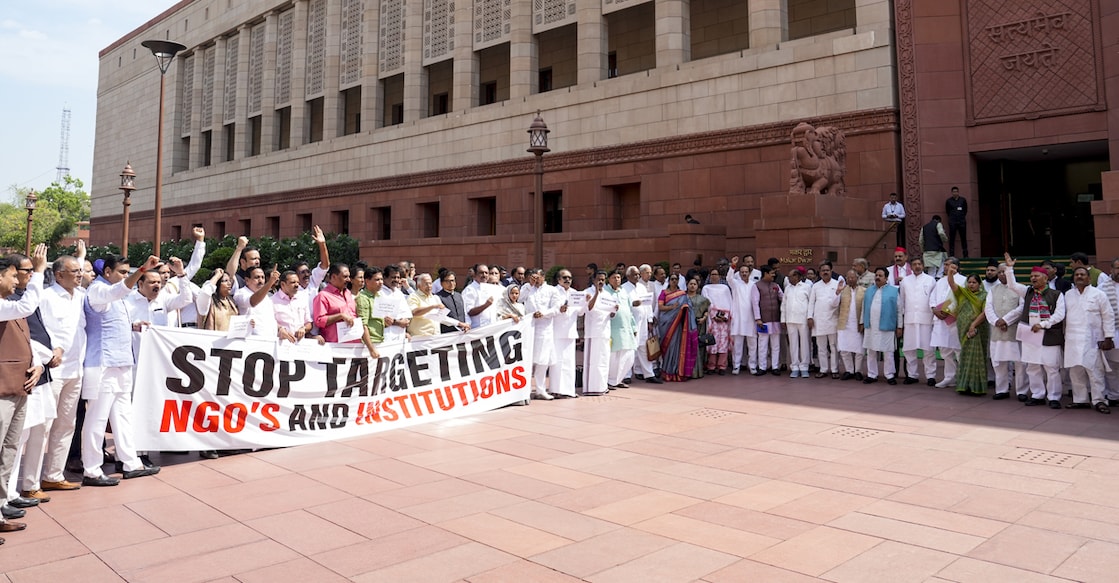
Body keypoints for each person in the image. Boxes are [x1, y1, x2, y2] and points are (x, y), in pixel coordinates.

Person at [82, 254, 162, 487]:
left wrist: (132, 326)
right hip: (103, 363)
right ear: (107, 272)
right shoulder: (98, 290)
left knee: (124, 416)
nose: (125, 277)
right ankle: (92, 469)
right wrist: (143, 269)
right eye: (122, 272)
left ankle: (130, 462)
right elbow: (116, 292)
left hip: (122, 362)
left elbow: (113, 320)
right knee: (97, 419)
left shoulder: (116, 294)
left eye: (128, 272)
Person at [26, 254, 85, 496]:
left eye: (81, 270)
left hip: (76, 369)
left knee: (66, 424)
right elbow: (37, 329)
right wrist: (50, 352)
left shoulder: (81, 296)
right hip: (52, 369)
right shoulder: (46, 296)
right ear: (59, 275)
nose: (80, 274)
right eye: (75, 271)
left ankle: (54, 475)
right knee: (43, 425)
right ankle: (30, 484)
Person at [0, 252, 48, 539]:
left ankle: (1, 506)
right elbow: (28, 305)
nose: (17, 279)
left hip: (17, 387)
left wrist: (38, 363)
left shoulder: (9, 305)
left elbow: (28, 340)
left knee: (8, 452)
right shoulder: (8, 306)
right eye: (12, 275)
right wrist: (40, 272)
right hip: (2, 390)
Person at [1004, 255, 1066, 409]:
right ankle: (1037, 395)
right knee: (1032, 367)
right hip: (1030, 335)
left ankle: (1053, 397)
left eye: (1036, 276)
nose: (1033, 278)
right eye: (1031, 276)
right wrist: (1010, 269)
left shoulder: (1056, 294)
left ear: (1045, 278)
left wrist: (1044, 324)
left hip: (1049, 336)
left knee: (1051, 368)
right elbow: (1012, 285)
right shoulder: (1028, 292)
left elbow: (1059, 315)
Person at [1063, 266, 1115, 413]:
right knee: (1075, 371)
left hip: (1092, 339)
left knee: (1095, 371)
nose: (1079, 276)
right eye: (1077, 274)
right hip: (1072, 339)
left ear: (1089, 278)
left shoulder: (1099, 294)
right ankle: (1080, 400)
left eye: (1082, 274)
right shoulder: (1068, 295)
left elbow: (1108, 316)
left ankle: (1100, 400)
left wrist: (1108, 337)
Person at [313, 263, 379, 358]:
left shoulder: (348, 293)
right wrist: (340, 316)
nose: (348, 280)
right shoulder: (323, 296)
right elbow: (319, 321)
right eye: (345, 277)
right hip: (336, 348)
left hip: (355, 347)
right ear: (334, 277)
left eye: (348, 276)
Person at [944, 266, 988, 396]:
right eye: (969, 282)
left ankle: (977, 387)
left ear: (979, 284)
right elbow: (952, 284)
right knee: (964, 356)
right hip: (963, 329)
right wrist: (950, 274)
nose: (971, 284)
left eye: (974, 282)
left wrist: (973, 325)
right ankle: (964, 385)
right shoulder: (962, 293)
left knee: (976, 356)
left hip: (978, 330)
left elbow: (985, 312)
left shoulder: (984, 296)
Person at [985, 263, 1026, 400]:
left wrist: (1006, 320)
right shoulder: (993, 290)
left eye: (1005, 272)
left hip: (1014, 330)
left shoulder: (1020, 289)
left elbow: (1021, 308)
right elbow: (988, 308)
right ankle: (1002, 389)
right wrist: (997, 321)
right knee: (999, 362)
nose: (1002, 274)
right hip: (997, 331)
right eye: (1000, 272)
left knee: (1019, 363)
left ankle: (1022, 391)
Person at [518, 268, 559, 399]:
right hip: (529, 328)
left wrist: (544, 313)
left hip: (544, 329)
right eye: (532, 277)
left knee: (542, 361)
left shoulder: (552, 290)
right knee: (527, 359)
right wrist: (529, 286)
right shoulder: (527, 287)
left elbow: (556, 308)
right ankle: (525, 390)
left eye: (537, 277)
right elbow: (518, 299)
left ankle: (540, 390)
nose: (535, 280)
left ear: (543, 277)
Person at [861, 267, 902, 384]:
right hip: (871, 326)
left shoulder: (893, 291)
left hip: (886, 326)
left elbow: (899, 310)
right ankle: (871, 374)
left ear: (886, 278)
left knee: (888, 352)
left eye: (880, 276)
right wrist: (862, 323)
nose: (877, 277)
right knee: (871, 351)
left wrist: (899, 326)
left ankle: (889, 375)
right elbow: (864, 308)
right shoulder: (869, 290)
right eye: (876, 275)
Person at [899, 257, 937, 385]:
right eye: (914, 264)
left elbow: (934, 300)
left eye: (919, 264)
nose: (917, 266)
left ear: (923, 265)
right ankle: (912, 375)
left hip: (926, 319)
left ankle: (930, 376)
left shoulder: (930, 280)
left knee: (928, 350)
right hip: (910, 319)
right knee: (909, 349)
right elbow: (902, 301)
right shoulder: (905, 281)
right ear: (911, 266)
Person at [930, 258, 966, 388]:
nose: (945, 267)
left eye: (947, 264)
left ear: (955, 266)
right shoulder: (940, 281)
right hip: (940, 319)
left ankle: (963, 377)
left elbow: (963, 298)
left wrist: (948, 311)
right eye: (944, 264)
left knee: (958, 350)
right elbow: (933, 297)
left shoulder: (963, 280)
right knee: (945, 351)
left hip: (955, 320)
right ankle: (949, 377)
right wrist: (934, 309)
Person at [547, 269, 582, 398]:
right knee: (557, 362)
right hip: (557, 331)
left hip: (570, 331)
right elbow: (550, 309)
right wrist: (559, 309)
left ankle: (568, 390)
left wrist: (586, 301)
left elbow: (581, 312)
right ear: (558, 279)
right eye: (565, 277)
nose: (568, 280)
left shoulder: (575, 293)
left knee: (569, 362)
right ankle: (556, 390)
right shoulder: (553, 291)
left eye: (570, 277)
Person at [624, 265, 661, 384]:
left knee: (644, 348)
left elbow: (648, 304)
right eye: (634, 274)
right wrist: (632, 304)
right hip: (631, 322)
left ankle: (649, 374)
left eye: (638, 275)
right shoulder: (624, 288)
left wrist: (650, 320)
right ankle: (627, 375)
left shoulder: (641, 287)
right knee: (630, 349)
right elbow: (623, 306)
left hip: (644, 321)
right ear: (628, 276)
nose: (637, 276)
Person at [656, 275, 697, 382]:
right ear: (669, 281)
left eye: (676, 279)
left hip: (678, 325)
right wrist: (672, 307)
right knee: (668, 348)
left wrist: (684, 308)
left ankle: (677, 371)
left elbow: (689, 308)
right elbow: (660, 307)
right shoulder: (663, 293)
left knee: (678, 348)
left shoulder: (683, 294)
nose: (674, 281)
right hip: (666, 324)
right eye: (672, 279)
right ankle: (667, 371)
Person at [582, 271, 614, 395]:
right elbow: (588, 308)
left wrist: (614, 311)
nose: (601, 282)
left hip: (605, 331)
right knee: (593, 361)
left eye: (603, 280)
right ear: (594, 280)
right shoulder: (587, 292)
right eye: (599, 279)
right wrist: (595, 293)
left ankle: (602, 386)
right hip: (593, 332)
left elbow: (611, 312)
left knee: (603, 360)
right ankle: (591, 388)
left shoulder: (607, 294)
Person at [407, 273, 469, 338]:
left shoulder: (434, 298)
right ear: (419, 285)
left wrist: (459, 324)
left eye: (430, 283)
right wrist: (432, 307)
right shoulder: (413, 297)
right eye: (426, 284)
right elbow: (414, 312)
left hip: (435, 338)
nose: (429, 286)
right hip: (420, 338)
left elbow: (441, 318)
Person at [807, 261, 841, 379]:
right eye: (823, 271)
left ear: (831, 271)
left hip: (833, 319)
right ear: (819, 272)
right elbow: (811, 302)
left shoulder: (837, 284)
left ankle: (835, 369)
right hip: (819, 320)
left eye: (827, 270)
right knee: (820, 347)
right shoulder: (816, 286)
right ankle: (823, 369)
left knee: (833, 346)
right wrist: (809, 317)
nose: (825, 272)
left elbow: (837, 303)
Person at [728, 259, 759, 375]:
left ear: (749, 273)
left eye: (746, 272)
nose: (744, 274)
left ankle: (753, 366)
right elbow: (729, 278)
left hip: (751, 319)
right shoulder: (736, 284)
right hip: (738, 319)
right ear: (739, 273)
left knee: (752, 344)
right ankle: (736, 366)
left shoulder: (754, 285)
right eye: (742, 272)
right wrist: (733, 266)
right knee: (738, 345)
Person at [752, 266, 783, 376]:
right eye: (771, 273)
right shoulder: (757, 286)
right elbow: (755, 303)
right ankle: (762, 367)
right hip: (763, 321)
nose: (773, 275)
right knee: (763, 344)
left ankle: (775, 367)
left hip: (775, 319)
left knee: (775, 345)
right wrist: (758, 318)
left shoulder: (776, 286)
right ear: (765, 274)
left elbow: (782, 298)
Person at [781, 267, 811, 378]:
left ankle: (804, 367)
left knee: (804, 343)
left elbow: (811, 303)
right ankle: (794, 366)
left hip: (803, 319)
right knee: (793, 344)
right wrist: (783, 319)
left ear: (797, 277)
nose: (789, 278)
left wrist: (810, 317)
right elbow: (783, 304)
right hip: (790, 319)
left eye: (791, 276)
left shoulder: (807, 287)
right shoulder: (787, 288)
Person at [702, 269, 733, 375]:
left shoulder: (725, 288)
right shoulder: (706, 288)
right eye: (712, 274)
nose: (714, 276)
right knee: (712, 343)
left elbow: (729, 302)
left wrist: (726, 316)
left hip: (724, 320)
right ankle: (711, 366)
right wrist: (714, 315)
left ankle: (722, 366)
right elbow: (706, 302)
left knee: (723, 343)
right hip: (712, 320)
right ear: (710, 276)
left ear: (719, 276)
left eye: (716, 274)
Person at [837, 269, 865, 380]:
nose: (850, 279)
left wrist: (863, 322)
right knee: (844, 348)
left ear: (857, 278)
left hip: (857, 323)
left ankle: (858, 371)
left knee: (859, 349)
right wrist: (837, 292)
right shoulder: (842, 290)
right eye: (848, 277)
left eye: (852, 277)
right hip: (844, 323)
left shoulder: (864, 290)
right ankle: (849, 370)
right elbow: (834, 304)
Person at [685, 277, 710, 378]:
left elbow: (707, 311)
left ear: (697, 286)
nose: (692, 286)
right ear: (687, 285)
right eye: (691, 284)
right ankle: (687, 372)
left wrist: (704, 318)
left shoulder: (702, 299)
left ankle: (697, 372)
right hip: (686, 326)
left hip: (699, 325)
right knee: (687, 348)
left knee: (698, 348)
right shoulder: (683, 298)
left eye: (694, 284)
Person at [945, 186, 968, 258]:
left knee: (963, 238)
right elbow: (947, 211)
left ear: (958, 192)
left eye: (956, 192)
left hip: (961, 221)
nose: (955, 193)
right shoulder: (949, 201)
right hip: (953, 222)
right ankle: (952, 255)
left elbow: (965, 210)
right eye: (953, 192)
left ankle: (965, 254)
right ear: (952, 193)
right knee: (952, 238)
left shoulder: (963, 200)